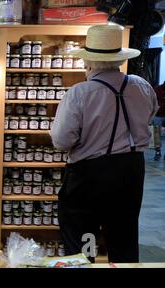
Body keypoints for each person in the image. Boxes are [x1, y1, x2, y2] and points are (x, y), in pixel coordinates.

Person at [51, 24, 158, 263]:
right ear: (118, 60)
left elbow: (61, 140)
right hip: (131, 170)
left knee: (81, 237)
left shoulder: (80, 93)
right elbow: (149, 117)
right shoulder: (142, 87)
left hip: (89, 174)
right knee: (124, 234)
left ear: (89, 63)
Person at [153, 81, 165, 160]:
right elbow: (153, 100)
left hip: (159, 114)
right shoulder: (158, 89)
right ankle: (158, 151)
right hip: (158, 114)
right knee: (157, 134)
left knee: (157, 134)